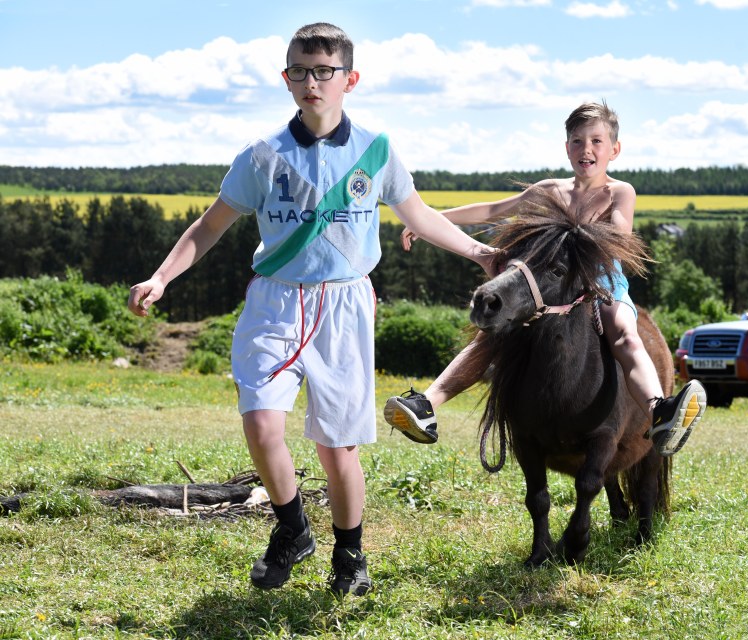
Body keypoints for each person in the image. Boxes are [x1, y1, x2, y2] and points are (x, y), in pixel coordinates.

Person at [127, 22, 495, 597]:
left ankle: (350, 556)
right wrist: (161, 276)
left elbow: (418, 215)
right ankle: (293, 527)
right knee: (260, 419)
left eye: (324, 71)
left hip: (345, 305)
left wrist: (479, 252)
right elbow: (210, 226)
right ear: (286, 78)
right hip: (275, 300)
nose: (311, 82)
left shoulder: (376, 150)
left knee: (337, 445)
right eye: (299, 71)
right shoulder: (263, 154)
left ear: (350, 78)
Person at [384, 101, 706, 456]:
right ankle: (425, 405)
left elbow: (617, 240)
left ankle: (658, 410)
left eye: (597, 141)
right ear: (566, 147)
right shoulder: (549, 190)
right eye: (578, 141)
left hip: (601, 282)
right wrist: (430, 218)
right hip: (547, 284)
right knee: (490, 335)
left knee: (626, 334)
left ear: (614, 149)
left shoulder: (620, 192)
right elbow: (493, 210)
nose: (587, 149)